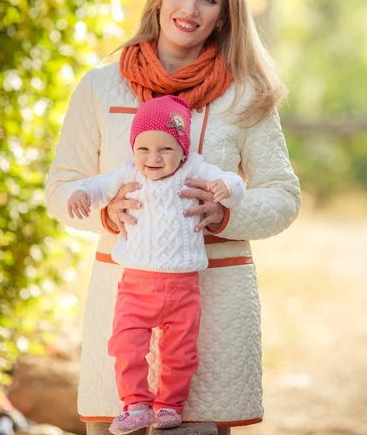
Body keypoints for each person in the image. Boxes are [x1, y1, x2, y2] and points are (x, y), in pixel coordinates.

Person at [45, 0, 301, 435]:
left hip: (215, 303)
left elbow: (283, 196)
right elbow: (61, 187)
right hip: (124, 299)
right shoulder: (101, 87)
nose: (189, 8)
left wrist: (225, 213)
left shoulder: (247, 94)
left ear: (225, 16)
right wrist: (105, 212)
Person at [66, 95, 245, 432]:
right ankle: (135, 404)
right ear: (134, 148)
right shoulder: (128, 173)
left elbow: (237, 187)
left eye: (165, 149)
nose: (153, 158)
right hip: (135, 286)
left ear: (182, 150)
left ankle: (169, 406)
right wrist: (81, 194)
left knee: (181, 353)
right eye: (144, 148)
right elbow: (98, 187)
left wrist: (226, 188)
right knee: (125, 346)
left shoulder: (195, 170)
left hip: (183, 286)